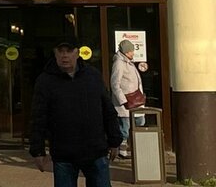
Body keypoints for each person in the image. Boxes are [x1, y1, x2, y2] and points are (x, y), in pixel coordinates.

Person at [29, 38, 123, 187]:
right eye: (61, 51)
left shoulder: (92, 76)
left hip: (95, 151)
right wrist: (37, 150)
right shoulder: (45, 81)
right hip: (64, 154)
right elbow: (38, 117)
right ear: (55, 53)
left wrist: (114, 140)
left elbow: (107, 109)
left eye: (69, 51)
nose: (65, 55)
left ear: (78, 53)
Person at [110, 38, 145, 159]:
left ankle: (137, 147)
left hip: (136, 100)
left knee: (140, 122)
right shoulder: (119, 63)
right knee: (125, 127)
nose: (133, 52)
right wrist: (123, 100)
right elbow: (115, 84)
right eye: (131, 51)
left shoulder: (129, 62)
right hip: (126, 102)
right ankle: (122, 150)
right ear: (125, 51)